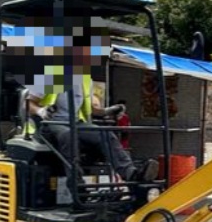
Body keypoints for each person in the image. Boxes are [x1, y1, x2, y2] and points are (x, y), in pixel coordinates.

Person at [24, 46, 157, 182]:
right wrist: (41, 111)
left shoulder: (85, 80)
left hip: (75, 123)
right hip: (48, 124)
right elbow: (28, 103)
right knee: (68, 136)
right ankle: (76, 181)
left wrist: (109, 111)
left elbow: (93, 108)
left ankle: (131, 173)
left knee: (105, 134)